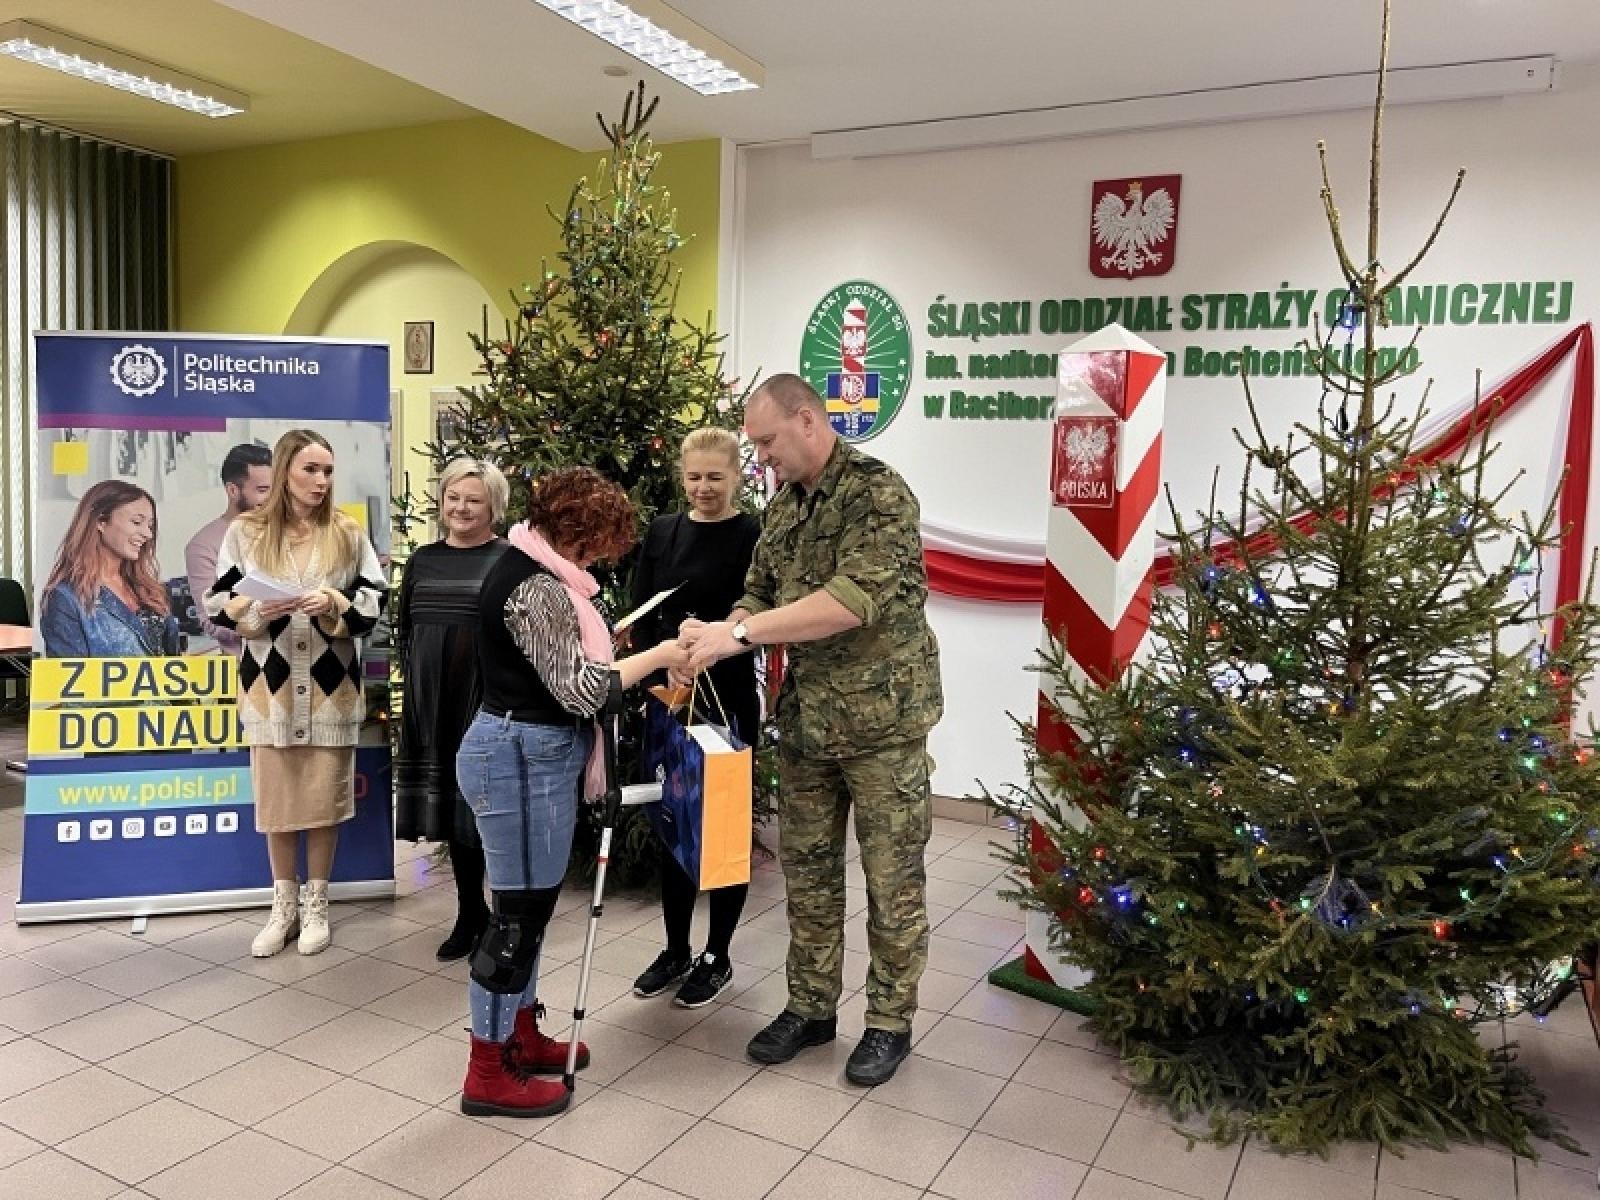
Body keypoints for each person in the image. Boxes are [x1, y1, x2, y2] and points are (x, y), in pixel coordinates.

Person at [680, 373, 943, 1088]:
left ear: (807, 420)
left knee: (893, 882)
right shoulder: (786, 505)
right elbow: (759, 589)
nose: (761, 457)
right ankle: (811, 1007)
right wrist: (723, 626)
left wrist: (740, 635)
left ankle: (888, 1021)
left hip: (884, 723)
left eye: (767, 441)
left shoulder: (877, 494)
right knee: (810, 875)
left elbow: (848, 602)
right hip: (809, 722)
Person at [457, 466, 690, 1119]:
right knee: (515, 920)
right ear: (575, 531)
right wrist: (656, 656)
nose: (599, 558)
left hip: (528, 751)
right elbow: (584, 690)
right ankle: (487, 1072)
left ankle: (519, 1032)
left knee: (527, 910)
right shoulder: (537, 587)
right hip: (519, 755)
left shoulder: (541, 572)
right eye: (596, 544)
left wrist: (612, 651)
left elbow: (561, 664)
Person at [205, 429, 387, 958]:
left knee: (323, 802)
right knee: (279, 802)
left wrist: (333, 601)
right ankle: (282, 907)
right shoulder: (246, 532)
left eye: (328, 470)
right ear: (285, 470)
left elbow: (374, 600)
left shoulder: (347, 532)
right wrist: (257, 610)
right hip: (271, 691)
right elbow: (217, 602)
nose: (321, 480)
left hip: (332, 691)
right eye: (311, 469)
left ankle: (316, 905)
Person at [628, 427, 761, 1008]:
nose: (703, 488)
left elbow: (759, 615)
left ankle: (717, 955)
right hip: (670, 695)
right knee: (673, 823)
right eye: (693, 477)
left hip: (726, 697)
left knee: (724, 824)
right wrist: (657, 673)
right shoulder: (663, 531)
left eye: (715, 477)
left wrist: (715, 640)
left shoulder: (753, 535)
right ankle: (675, 949)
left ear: (737, 476)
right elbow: (642, 612)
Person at [394, 457, 509, 961]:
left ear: (494, 506)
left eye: (474, 500)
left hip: (484, 704)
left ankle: (503, 918)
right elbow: (405, 630)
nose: (461, 508)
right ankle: (470, 913)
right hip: (432, 704)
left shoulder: (507, 560)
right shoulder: (422, 559)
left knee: (483, 813)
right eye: (453, 497)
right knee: (451, 810)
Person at [40, 480, 182, 657]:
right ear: (101, 522)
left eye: (150, 525)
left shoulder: (151, 589)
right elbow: (69, 673)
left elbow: (174, 659)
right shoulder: (66, 598)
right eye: (137, 522)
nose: (148, 534)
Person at [185, 442, 273, 653]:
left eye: (275, 490)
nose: (272, 499)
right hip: (245, 667)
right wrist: (266, 616)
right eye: (262, 490)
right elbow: (212, 622)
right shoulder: (204, 546)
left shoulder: (288, 533)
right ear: (233, 490)